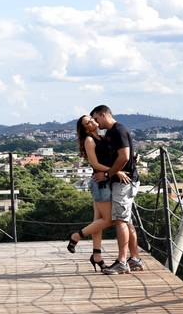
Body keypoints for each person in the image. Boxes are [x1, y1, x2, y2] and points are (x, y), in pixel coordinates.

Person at [90, 104, 144, 275]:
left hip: (124, 182)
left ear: (104, 114)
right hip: (126, 180)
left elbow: (124, 157)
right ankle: (134, 259)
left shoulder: (118, 130)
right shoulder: (114, 132)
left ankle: (122, 261)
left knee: (120, 220)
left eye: (97, 119)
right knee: (127, 221)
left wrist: (107, 175)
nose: (97, 123)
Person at [66, 114, 114, 271]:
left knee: (97, 222)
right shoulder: (89, 140)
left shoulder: (101, 137)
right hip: (101, 183)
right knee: (108, 220)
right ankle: (77, 236)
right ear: (85, 128)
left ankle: (97, 256)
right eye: (88, 122)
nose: (92, 122)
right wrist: (116, 171)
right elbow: (94, 164)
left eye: (92, 119)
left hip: (104, 181)